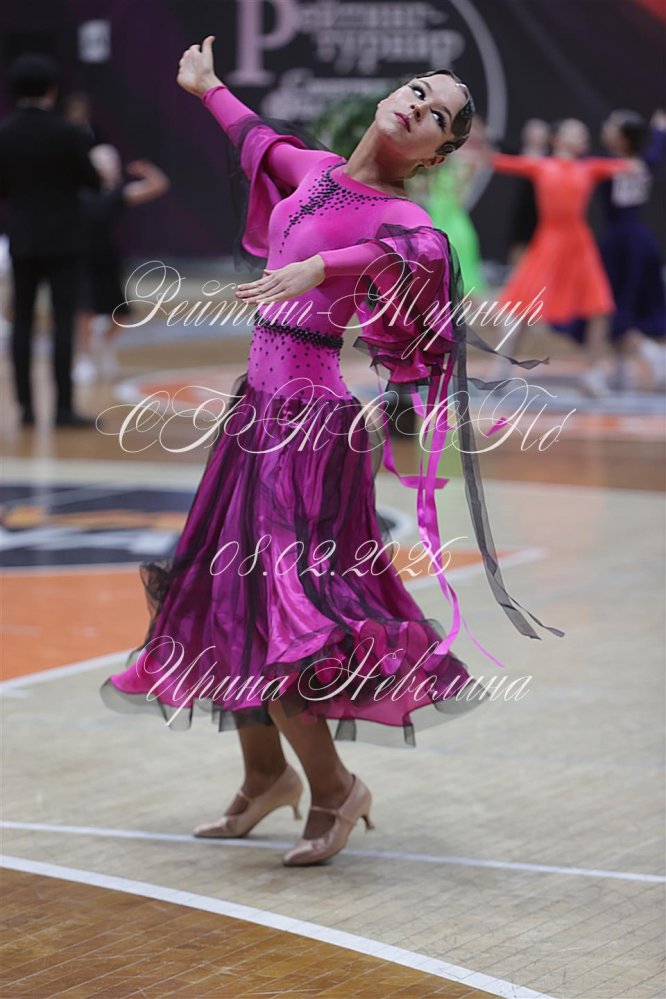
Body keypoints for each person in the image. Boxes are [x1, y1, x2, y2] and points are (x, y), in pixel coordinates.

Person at [100, 37, 562, 867]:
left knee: (289, 615)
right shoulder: (313, 170)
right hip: (256, 417)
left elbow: (413, 254)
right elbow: (258, 139)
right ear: (391, 97)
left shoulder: (405, 217)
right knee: (220, 596)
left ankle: (337, 787)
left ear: (437, 153)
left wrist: (320, 265)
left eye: (438, 116)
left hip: (311, 429)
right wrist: (208, 86)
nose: (417, 107)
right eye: (416, 91)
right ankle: (264, 775)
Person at [488, 119, 636, 397]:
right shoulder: (541, 165)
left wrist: (640, 157)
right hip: (549, 242)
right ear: (557, 139)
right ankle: (502, 369)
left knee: (601, 306)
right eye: (575, 133)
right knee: (522, 306)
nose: (582, 137)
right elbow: (501, 162)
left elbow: (629, 166)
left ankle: (593, 373)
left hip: (579, 245)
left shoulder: (589, 167)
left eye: (583, 133)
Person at [0, 54, 101, 427]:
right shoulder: (68, 133)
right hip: (64, 239)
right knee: (62, 322)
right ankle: (62, 408)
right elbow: (92, 182)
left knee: (22, 322)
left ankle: (25, 408)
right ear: (52, 90)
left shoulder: (5, 133)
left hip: (23, 237)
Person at [73, 145, 170, 384]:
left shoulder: (118, 194)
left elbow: (158, 185)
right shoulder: (78, 192)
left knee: (121, 313)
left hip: (108, 259)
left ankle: (104, 344)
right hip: (82, 258)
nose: (111, 165)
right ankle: (84, 358)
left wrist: (147, 170)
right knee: (86, 310)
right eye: (104, 161)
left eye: (113, 161)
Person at [425, 113, 489, 298]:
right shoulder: (440, 155)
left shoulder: (470, 159)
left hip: (455, 220)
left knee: (463, 268)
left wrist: (477, 132)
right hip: (436, 218)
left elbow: (484, 155)